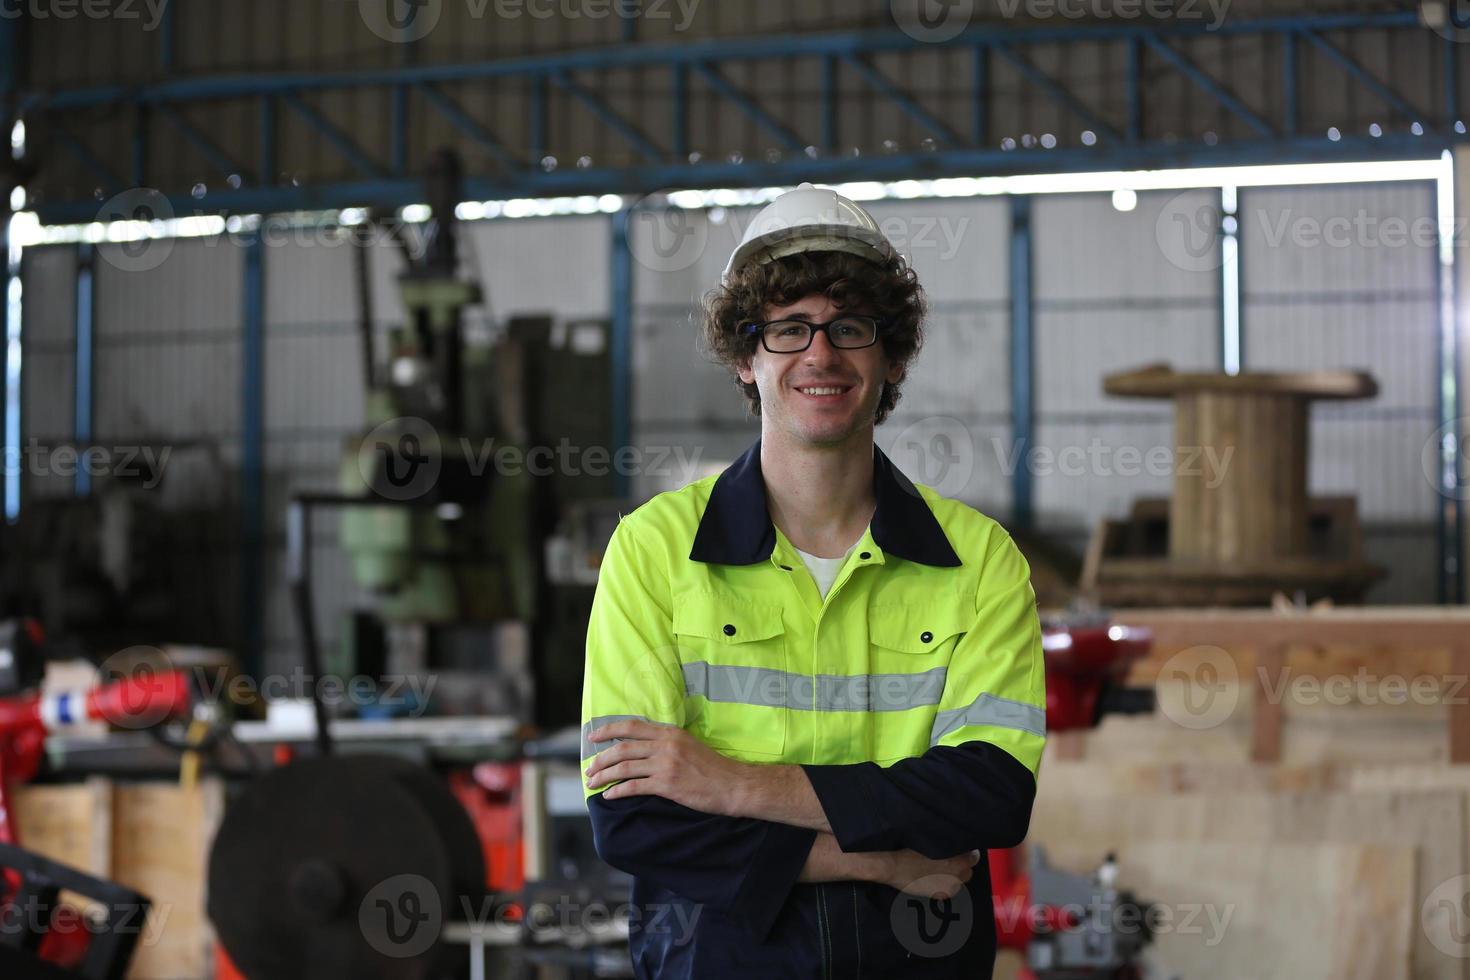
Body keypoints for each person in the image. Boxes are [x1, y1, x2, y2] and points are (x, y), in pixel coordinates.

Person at [580, 182, 1046, 978]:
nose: (820, 355)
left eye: (849, 329)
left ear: (890, 354)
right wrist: (873, 858)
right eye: (789, 328)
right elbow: (636, 823)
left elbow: (989, 797)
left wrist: (728, 783)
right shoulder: (653, 551)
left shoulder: (980, 561)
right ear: (745, 354)